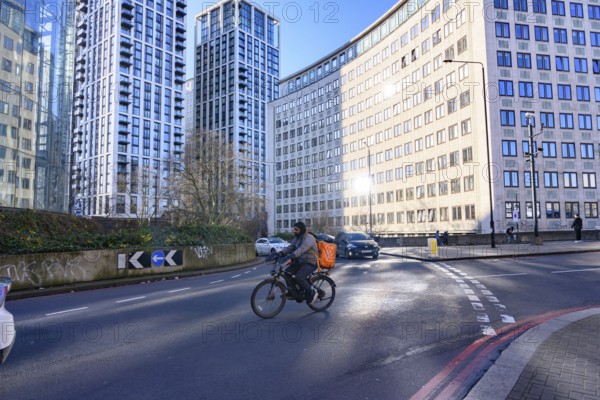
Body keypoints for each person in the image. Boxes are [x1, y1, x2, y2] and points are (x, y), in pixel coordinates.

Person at [266, 221, 318, 304]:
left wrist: (291, 256)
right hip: (301, 261)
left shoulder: (309, 238)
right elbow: (290, 248)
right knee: (287, 273)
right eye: (294, 229)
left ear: (301, 230)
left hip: (310, 262)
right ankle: (293, 292)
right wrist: (281, 253)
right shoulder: (297, 238)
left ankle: (311, 292)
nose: (294, 231)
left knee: (299, 277)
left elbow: (301, 250)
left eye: (296, 230)